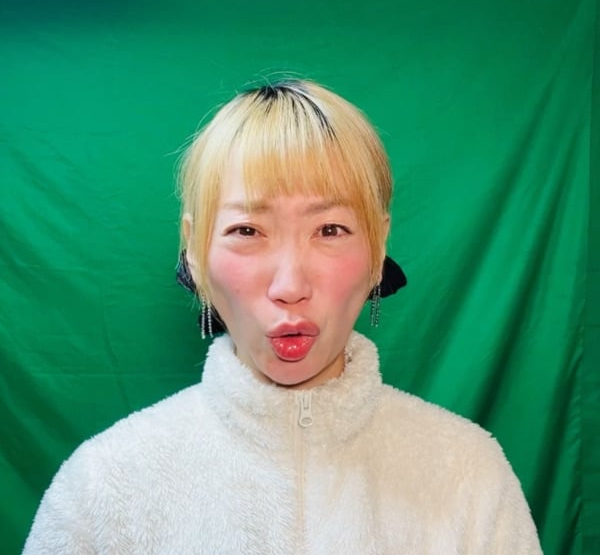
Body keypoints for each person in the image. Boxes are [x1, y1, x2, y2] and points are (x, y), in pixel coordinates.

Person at [23, 80, 543, 554]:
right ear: (195, 250)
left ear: (379, 244)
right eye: (247, 231)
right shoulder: (102, 488)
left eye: (330, 230)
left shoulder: (469, 475)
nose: (290, 286)